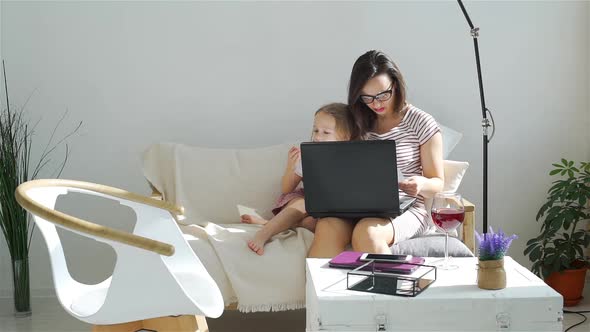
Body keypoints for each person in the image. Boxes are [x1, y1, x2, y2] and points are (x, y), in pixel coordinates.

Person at [308, 50, 444, 258]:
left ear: (395, 85)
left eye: (383, 95)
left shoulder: (421, 122)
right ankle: (321, 291)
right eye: (367, 98)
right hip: (354, 206)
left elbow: (438, 182)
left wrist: (421, 184)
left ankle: (396, 287)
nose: (377, 104)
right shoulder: (356, 121)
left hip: (407, 208)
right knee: (327, 227)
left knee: (368, 232)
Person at [242, 103, 354, 255]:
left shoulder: (351, 158)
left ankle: (269, 223)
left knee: (313, 224)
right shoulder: (309, 155)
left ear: (346, 136)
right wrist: (291, 167)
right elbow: (287, 189)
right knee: (303, 204)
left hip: (327, 211)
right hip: (304, 200)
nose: (318, 136)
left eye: (326, 132)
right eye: (315, 130)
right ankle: (264, 233)